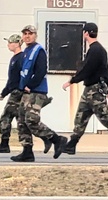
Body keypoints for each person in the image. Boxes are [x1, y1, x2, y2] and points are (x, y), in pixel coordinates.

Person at [61, 22, 108, 156]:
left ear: (86, 33)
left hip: (95, 90)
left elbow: (87, 70)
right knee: (81, 116)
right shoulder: (98, 50)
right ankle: (71, 145)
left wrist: (72, 81)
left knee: (105, 118)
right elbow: (105, 70)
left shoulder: (95, 50)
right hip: (89, 90)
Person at [10, 25, 68, 162]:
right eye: (25, 34)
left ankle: (57, 139)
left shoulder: (38, 51)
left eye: (30, 33)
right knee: (21, 121)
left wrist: (30, 85)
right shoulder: (26, 51)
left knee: (31, 121)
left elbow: (41, 71)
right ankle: (27, 151)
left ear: (35, 35)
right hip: (26, 92)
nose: (27, 36)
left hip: (36, 92)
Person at [0, 34, 25, 153]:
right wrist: (4, 92)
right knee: (19, 119)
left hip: (17, 92)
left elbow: (21, 77)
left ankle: (5, 144)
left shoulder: (21, 58)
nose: (8, 45)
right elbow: (10, 79)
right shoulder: (14, 58)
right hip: (13, 91)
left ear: (17, 44)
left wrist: (20, 89)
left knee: (6, 117)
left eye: (10, 43)